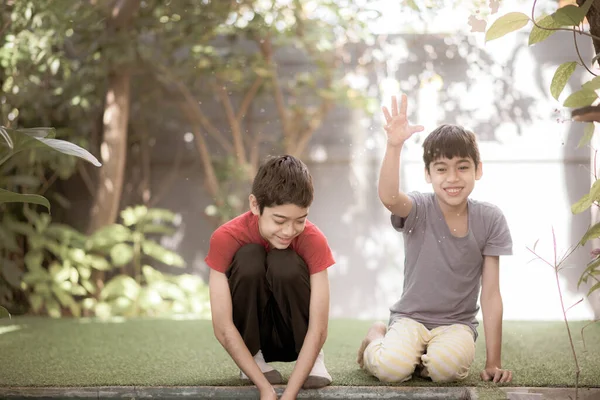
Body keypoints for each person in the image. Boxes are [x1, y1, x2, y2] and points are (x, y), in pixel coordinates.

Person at [356, 94, 513, 384]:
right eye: (441, 168)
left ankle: (422, 360)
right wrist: (394, 145)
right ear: (428, 174)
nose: (452, 177)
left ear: (478, 169)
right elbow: (389, 198)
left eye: (462, 167)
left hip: (456, 325)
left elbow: (491, 294)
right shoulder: (419, 208)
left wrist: (494, 362)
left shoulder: (490, 219)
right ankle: (377, 338)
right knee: (392, 369)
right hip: (410, 319)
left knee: (446, 370)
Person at [206, 155, 335, 400]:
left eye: (300, 220)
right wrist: (264, 389)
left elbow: (319, 327)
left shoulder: (313, 239)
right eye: (279, 220)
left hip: (298, 335)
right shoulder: (225, 238)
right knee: (249, 257)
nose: (289, 231)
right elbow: (222, 327)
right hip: (254, 337)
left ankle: (314, 359)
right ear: (255, 205)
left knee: (283, 261)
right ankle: (255, 358)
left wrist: (288, 395)